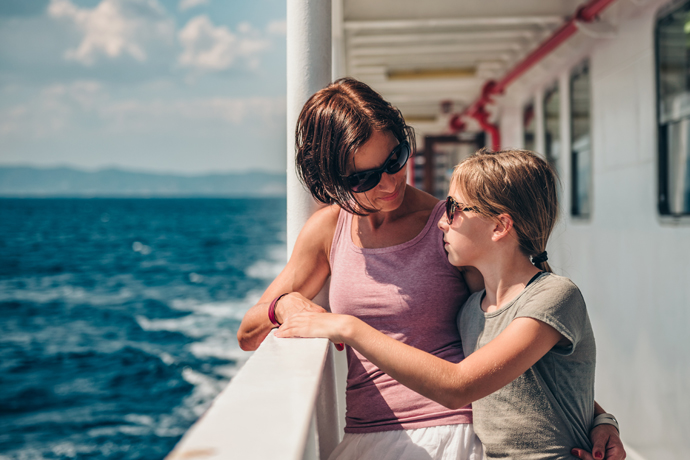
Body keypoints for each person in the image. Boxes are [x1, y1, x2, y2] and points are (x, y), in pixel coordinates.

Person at [238, 78, 624, 460]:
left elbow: (516, 340)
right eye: (365, 177)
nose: (390, 183)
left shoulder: (452, 231)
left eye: (395, 159)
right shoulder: (327, 229)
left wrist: (596, 417)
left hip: (452, 434)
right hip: (365, 435)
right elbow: (249, 333)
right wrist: (284, 306)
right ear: (335, 179)